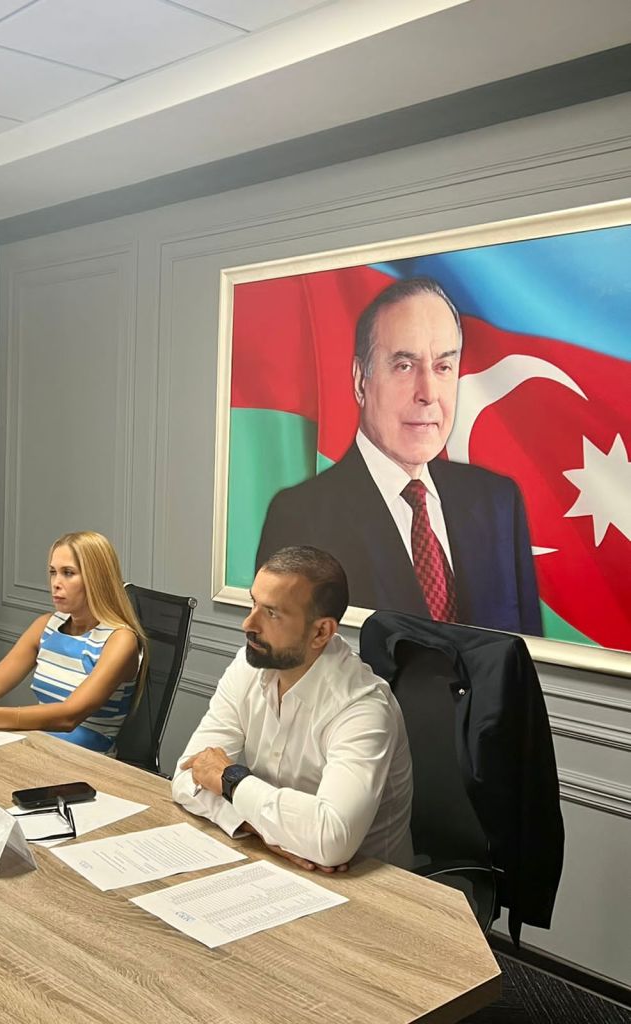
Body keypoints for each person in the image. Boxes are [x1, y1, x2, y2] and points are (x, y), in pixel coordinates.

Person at [256, 276, 542, 635]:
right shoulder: (300, 518)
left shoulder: (498, 501)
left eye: (443, 367)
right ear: (361, 380)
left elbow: (525, 654)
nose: (428, 393)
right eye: (404, 366)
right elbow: (289, 657)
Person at [172, 546, 413, 872]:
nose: (248, 623)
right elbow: (186, 777)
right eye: (253, 603)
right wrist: (260, 830)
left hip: (368, 887)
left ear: (321, 632)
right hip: (276, 863)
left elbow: (331, 840)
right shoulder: (248, 666)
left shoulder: (363, 707)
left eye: (272, 613)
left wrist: (231, 779)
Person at [0, 531, 146, 754]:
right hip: (38, 748)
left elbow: (68, 716)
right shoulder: (46, 625)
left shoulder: (120, 640)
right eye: (53, 572)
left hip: (87, 761)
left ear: (96, 578)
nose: (56, 583)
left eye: (68, 573)